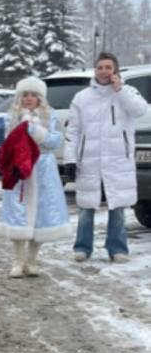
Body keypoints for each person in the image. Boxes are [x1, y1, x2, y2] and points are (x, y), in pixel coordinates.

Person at [64, 51, 145, 262]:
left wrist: (120, 90)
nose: (104, 71)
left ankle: (117, 249)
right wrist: (70, 160)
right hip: (88, 160)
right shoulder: (82, 97)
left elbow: (139, 110)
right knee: (86, 206)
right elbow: (72, 131)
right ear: (95, 69)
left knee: (117, 205)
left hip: (118, 159)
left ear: (115, 70)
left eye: (108, 67)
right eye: (100, 67)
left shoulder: (127, 92)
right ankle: (82, 247)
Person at [0, 76, 70, 277]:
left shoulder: (50, 116)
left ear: (40, 98)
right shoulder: (11, 117)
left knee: (42, 215)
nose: (29, 99)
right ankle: (18, 261)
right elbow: (8, 143)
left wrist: (37, 131)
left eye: (33, 95)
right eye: (25, 95)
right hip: (20, 171)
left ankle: (32, 261)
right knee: (18, 214)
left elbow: (55, 141)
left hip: (44, 169)